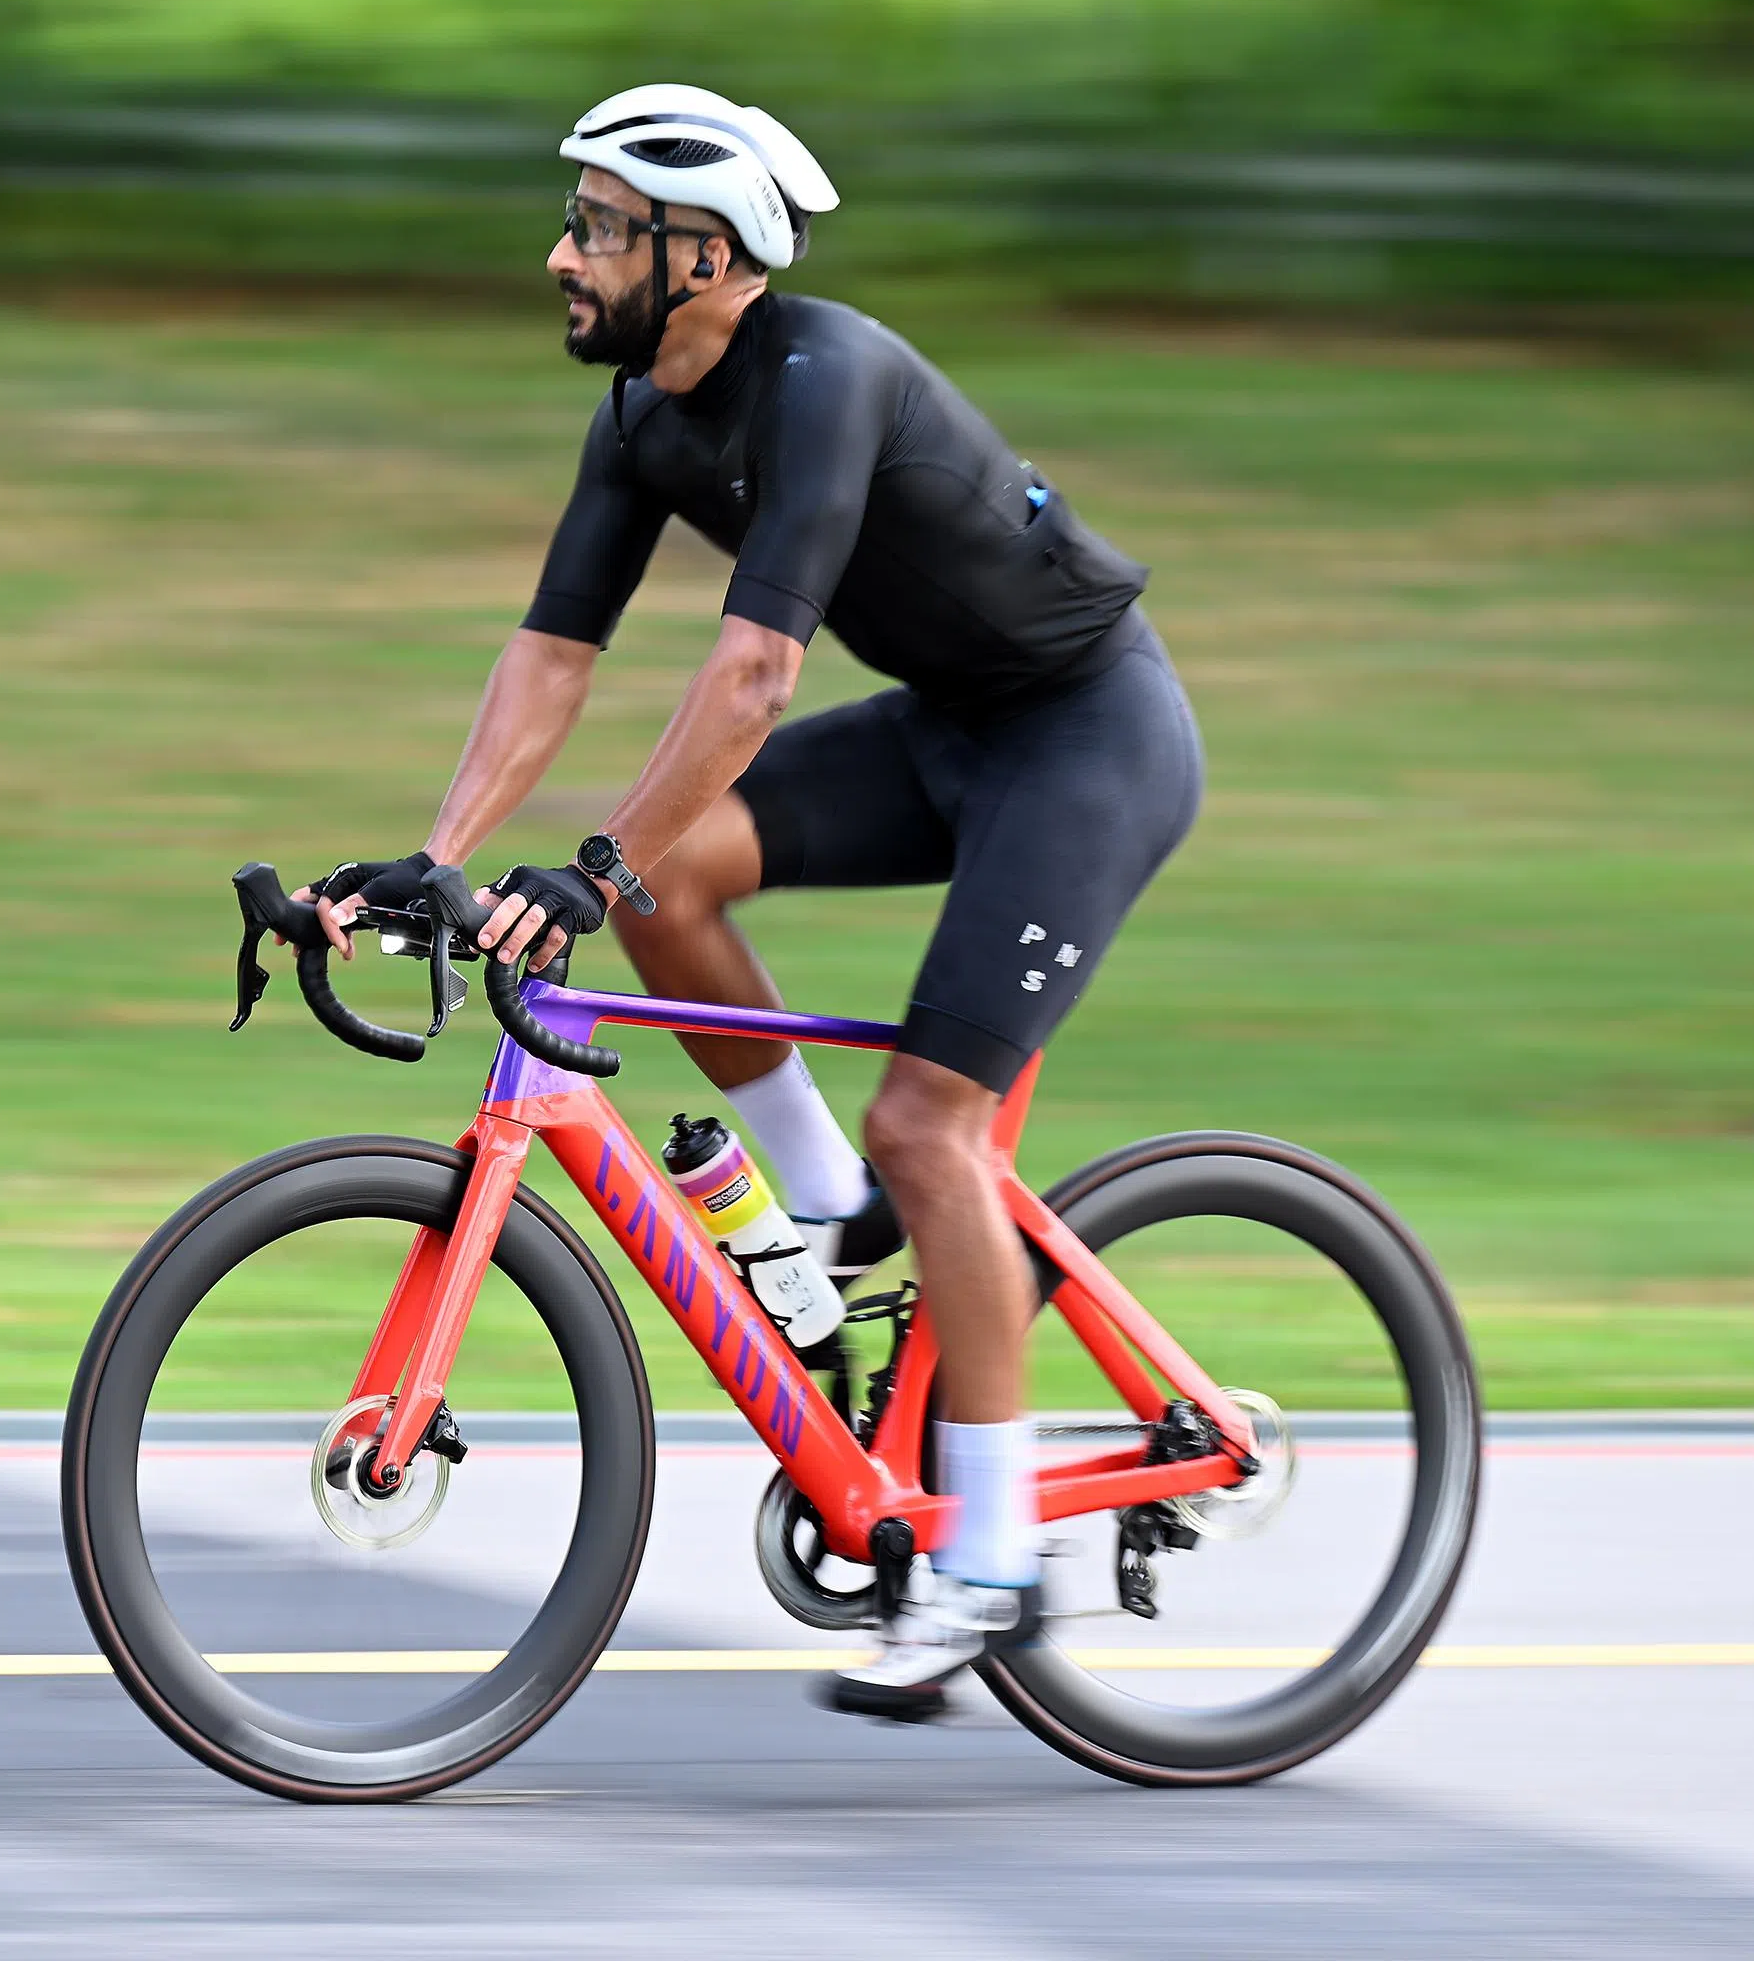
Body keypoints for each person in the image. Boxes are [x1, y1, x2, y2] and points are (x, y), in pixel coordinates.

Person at [299, 84, 1203, 1721]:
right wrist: (436, 854)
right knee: (671, 882)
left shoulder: (827, 376)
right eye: (572, 218)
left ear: (702, 254)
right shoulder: (644, 410)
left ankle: (989, 1561)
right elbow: (551, 655)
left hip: (1087, 740)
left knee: (939, 1124)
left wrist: (580, 870)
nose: (561, 253)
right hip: (950, 731)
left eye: (596, 226)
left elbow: (757, 670)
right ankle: (828, 1206)